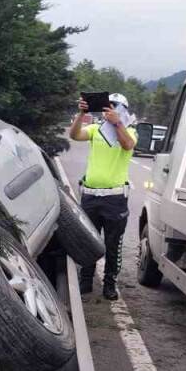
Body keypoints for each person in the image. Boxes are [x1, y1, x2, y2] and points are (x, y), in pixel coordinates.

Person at [68, 92, 137, 299]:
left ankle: (109, 284)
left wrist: (117, 125)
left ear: (123, 110)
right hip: (90, 195)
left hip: (114, 198)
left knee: (113, 244)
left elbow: (128, 145)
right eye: (108, 106)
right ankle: (86, 281)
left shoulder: (130, 131)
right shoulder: (95, 130)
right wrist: (82, 114)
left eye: (115, 106)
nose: (110, 110)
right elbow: (74, 135)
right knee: (88, 240)